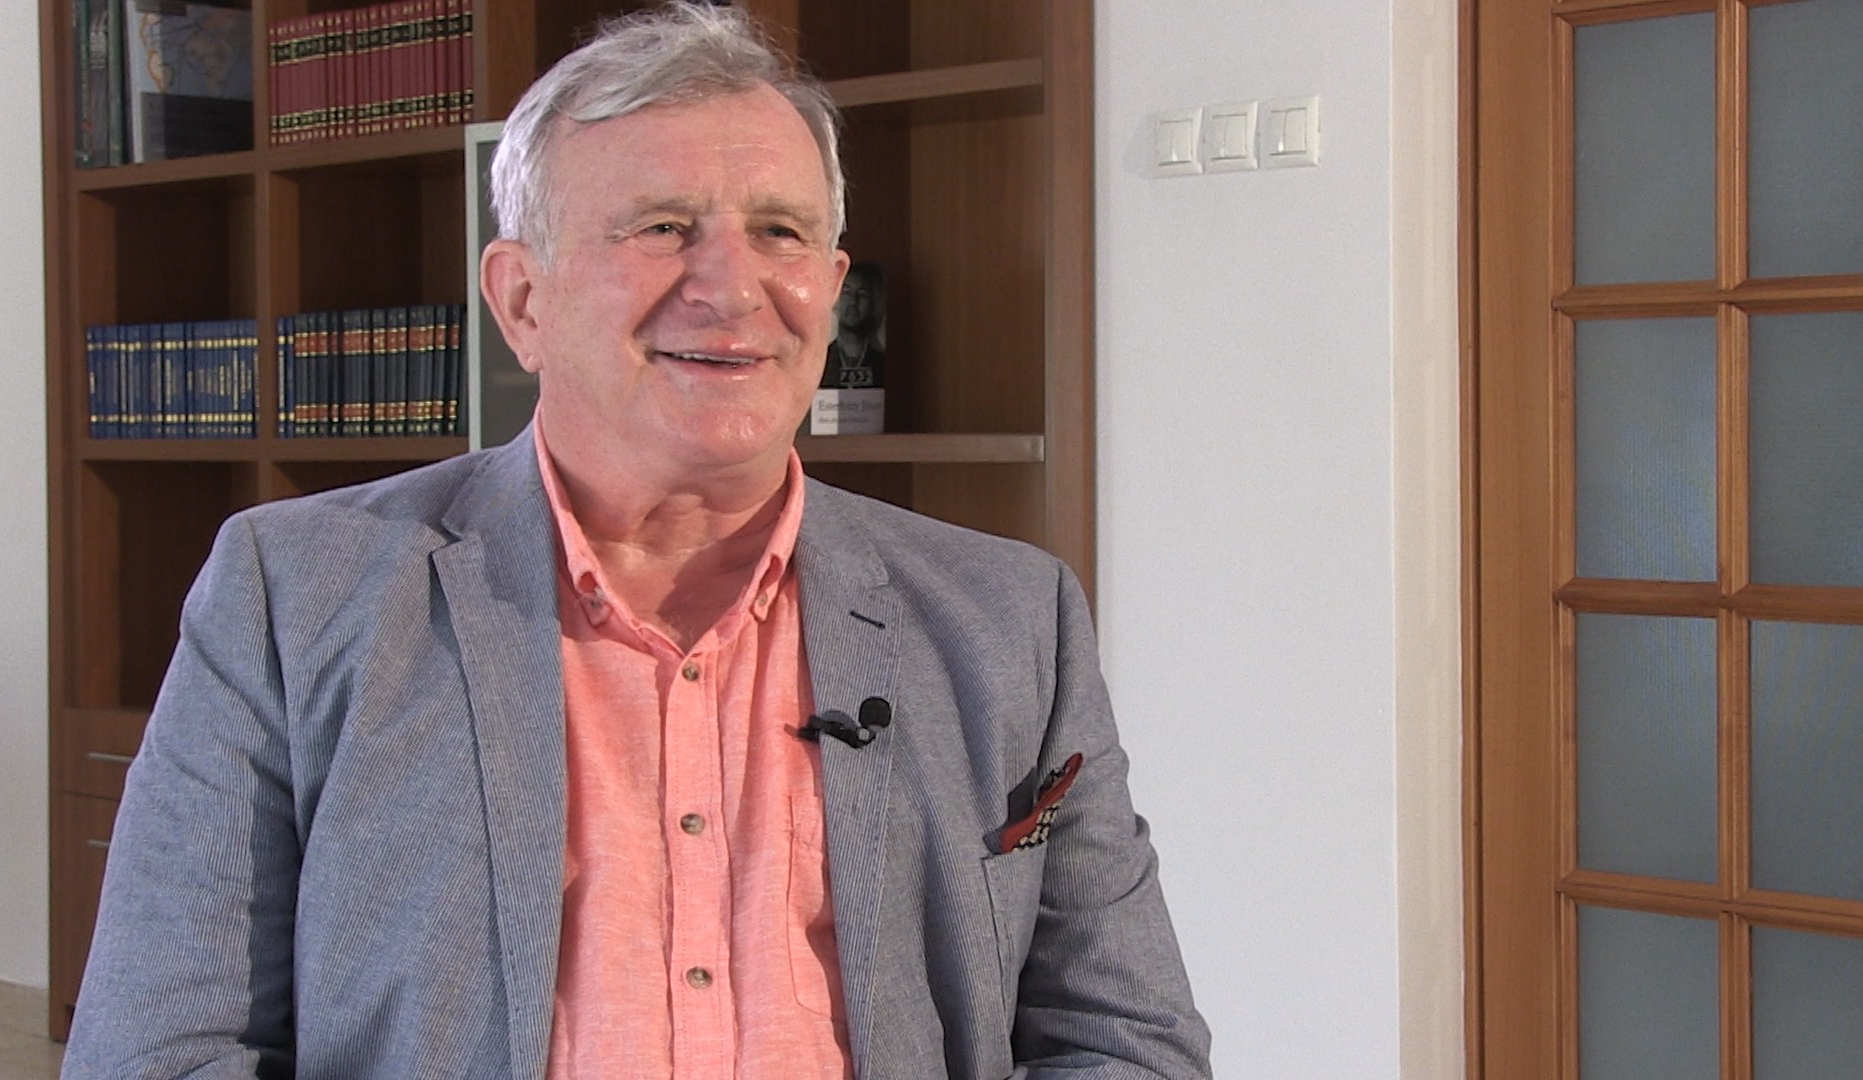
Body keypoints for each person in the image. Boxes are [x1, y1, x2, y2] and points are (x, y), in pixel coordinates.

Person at [62, 5, 1211, 1078]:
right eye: (663, 228)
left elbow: (1124, 1039)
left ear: (830, 289)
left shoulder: (1008, 617)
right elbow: (158, 1051)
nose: (734, 286)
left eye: (780, 232)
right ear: (522, 301)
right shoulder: (295, 594)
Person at [821, 263, 884, 389]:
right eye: (846, 292)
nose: (853, 302)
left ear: (872, 302)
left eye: (862, 294)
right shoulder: (819, 361)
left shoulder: (881, 363)